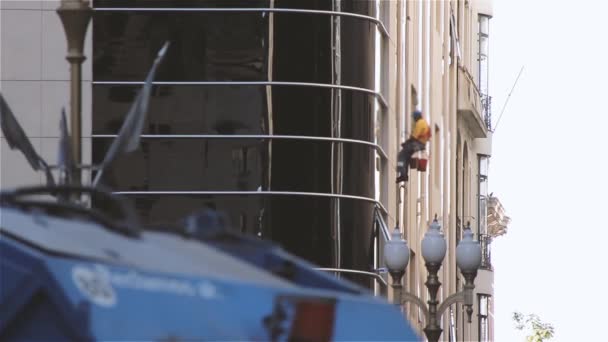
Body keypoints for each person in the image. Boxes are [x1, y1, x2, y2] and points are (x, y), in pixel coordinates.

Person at [396, 110, 431, 183]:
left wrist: (406, 143)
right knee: (407, 157)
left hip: (418, 143)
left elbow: (415, 136)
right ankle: (404, 174)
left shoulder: (420, 123)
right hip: (420, 144)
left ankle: (403, 174)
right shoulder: (424, 123)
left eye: (414, 117)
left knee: (401, 155)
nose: (414, 119)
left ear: (416, 116)